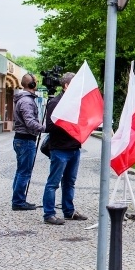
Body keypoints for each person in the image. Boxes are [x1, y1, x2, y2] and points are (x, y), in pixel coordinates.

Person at [43, 72, 88, 225]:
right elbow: (49, 126)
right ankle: (49, 214)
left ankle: (69, 211)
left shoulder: (77, 102)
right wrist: (68, 122)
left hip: (74, 148)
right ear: (66, 85)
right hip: (60, 149)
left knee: (70, 182)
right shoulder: (55, 103)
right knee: (53, 183)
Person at [11, 73, 46, 211]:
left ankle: (18, 199)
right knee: (24, 172)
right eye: (35, 82)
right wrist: (45, 128)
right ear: (32, 84)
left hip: (22, 139)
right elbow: (30, 122)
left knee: (21, 171)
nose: (37, 83)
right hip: (25, 140)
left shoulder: (24, 99)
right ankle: (18, 202)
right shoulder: (26, 101)